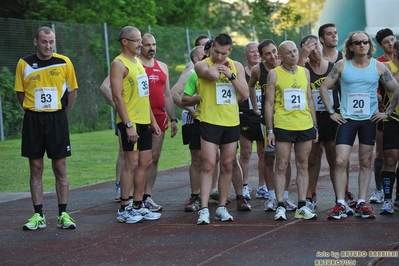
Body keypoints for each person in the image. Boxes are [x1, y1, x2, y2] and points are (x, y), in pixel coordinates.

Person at [320, 31, 399, 219]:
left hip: (369, 121)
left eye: (365, 42)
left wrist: (387, 112)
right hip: (347, 119)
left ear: (369, 45)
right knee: (340, 160)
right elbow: (324, 87)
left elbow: (396, 88)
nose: (362, 45)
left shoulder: (378, 67)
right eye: (358, 42)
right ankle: (340, 202)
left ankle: (362, 202)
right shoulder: (341, 65)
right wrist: (331, 112)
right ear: (351, 46)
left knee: (365, 161)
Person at [15, 26, 78, 230]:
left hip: (57, 119)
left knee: (60, 167)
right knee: (36, 168)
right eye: (44, 42)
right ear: (36, 42)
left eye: (51, 42)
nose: (48, 46)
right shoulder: (24, 63)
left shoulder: (64, 62)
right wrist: (33, 110)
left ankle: (63, 214)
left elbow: (72, 92)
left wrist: (61, 114)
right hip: (33, 119)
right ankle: (38, 215)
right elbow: (20, 94)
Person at [194, 33, 249, 224]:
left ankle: (222, 207)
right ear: (211, 48)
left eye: (224, 54)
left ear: (230, 51)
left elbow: (245, 93)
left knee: (227, 164)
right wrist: (218, 68)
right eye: (216, 52)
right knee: (208, 163)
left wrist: (231, 75)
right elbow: (210, 74)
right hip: (210, 120)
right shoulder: (202, 63)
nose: (219, 57)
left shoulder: (237, 66)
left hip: (231, 121)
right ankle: (203, 209)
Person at [111, 26, 161, 224]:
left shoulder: (139, 63)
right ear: (125, 42)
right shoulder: (119, 63)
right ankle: (124, 208)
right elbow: (116, 96)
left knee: (145, 162)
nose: (140, 44)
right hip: (129, 121)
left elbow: (144, 95)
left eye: (141, 40)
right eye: (137, 40)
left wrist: (152, 121)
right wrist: (128, 124)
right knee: (131, 163)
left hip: (143, 121)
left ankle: (138, 205)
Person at [265, 40, 318, 221]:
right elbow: (269, 103)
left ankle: (302, 205)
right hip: (283, 125)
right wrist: (270, 130)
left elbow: (310, 99)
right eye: (289, 53)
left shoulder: (305, 72)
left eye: (295, 51)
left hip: (304, 124)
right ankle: (280, 204)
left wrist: (315, 125)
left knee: (303, 164)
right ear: (281, 56)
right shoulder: (274, 74)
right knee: (281, 164)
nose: (294, 54)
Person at [248, 39, 296, 212]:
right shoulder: (257, 70)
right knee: (268, 157)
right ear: (261, 56)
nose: (272, 56)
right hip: (267, 120)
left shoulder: (286, 67)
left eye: (274, 51)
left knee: (285, 159)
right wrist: (255, 107)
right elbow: (250, 87)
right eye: (267, 53)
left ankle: (285, 196)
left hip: (287, 119)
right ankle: (271, 196)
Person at [300, 35, 344, 213]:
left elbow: (343, 89)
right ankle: (310, 196)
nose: (315, 50)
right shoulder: (302, 69)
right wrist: (302, 58)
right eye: (310, 48)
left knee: (335, 159)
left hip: (332, 117)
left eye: (316, 46)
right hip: (312, 117)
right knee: (312, 159)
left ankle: (339, 198)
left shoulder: (333, 68)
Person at [139, 33, 178, 212]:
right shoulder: (134, 64)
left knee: (154, 158)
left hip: (160, 117)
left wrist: (173, 118)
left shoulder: (162, 66)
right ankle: (133, 197)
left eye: (153, 44)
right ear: (140, 46)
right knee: (139, 160)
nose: (151, 48)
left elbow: (168, 94)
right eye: (147, 45)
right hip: (140, 117)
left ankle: (147, 196)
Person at [369, 28, 396, 204]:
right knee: (381, 153)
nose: (391, 44)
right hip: (382, 114)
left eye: (393, 40)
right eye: (387, 42)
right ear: (380, 46)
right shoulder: (378, 63)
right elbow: (375, 91)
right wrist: (390, 97)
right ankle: (379, 190)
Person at [239, 41, 265, 201]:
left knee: (264, 153)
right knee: (246, 152)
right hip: (246, 116)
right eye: (252, 51)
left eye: (258, 51)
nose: (256, 54)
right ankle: (244, 185)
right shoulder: (242, 73)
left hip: (264, 116)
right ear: (246, 55)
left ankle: (262, 186)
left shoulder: (268, 72)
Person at [379, 40, 399, 214]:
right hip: (392, 119)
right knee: (391, 159)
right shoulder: (386, 67)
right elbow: (391, 86)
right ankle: (387, 200)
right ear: (395, 51)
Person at [99, 77, 124, 203]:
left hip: (143, 114)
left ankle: (139, 191)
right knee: (124, 152)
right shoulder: (122, 63)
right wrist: (117, 106)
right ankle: (120, 187)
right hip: (126, 117)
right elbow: (104, 87)